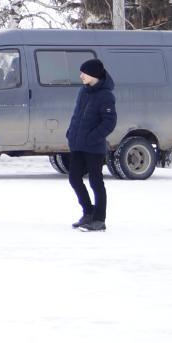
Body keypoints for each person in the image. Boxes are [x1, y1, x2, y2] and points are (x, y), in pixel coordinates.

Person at [65, 58, 118, 232]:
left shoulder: (106, 95)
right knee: (74, 178)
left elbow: (109, 123)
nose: (80, 76)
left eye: (84, 73)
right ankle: (88, 212)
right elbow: (77, 116)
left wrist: (92, 137)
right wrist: (71, 133)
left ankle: (99, 219)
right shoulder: (83, 91)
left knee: (96, 182)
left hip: (94, 147)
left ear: (93, 74)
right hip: (78, 144)